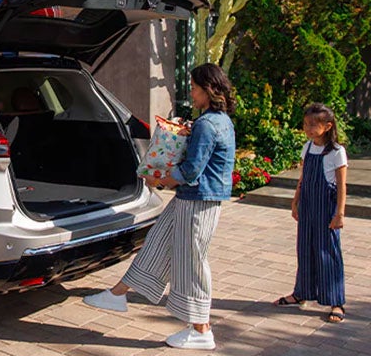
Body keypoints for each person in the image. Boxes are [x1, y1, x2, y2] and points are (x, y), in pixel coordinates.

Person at [83, 63, 236, 350]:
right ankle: (118, 294)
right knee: (156, 242)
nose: (191, 93)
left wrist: (160, 179)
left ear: (208, 89)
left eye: (193, 88)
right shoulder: (220, 119)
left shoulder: (207, 124)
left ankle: (201, 329)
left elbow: (191, 171)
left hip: (198, 200)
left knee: (191, 262)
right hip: (195, 199)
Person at [273, 103, 347, 323]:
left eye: (313, 124)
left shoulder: (337, 152)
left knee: (328, 252)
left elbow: (342, 186)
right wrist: (295, 201)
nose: (308, 128)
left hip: (326, 207)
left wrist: (340, 213)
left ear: (327, 126)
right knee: (304, 249)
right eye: (306, 124)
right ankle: (301, 293)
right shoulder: (307, 147)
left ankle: (336, 301)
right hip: (307, 204)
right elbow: (303, 178)